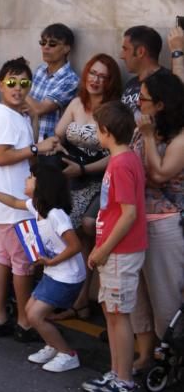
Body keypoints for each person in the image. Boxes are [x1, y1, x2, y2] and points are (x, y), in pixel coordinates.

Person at [0, 163, 85, 373]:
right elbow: (13, 202)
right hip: (54, 273)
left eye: (30, 177)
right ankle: (52, 345)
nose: (26, 179)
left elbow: (76, 246)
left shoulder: (56, 215)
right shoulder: (36, 206)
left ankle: (68, 354)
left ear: (42, 185)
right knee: (31, 312)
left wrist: (52, 261)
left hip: (66, 276)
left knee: (35, 315)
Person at [0, 57, 58, 342]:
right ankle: (25, 321)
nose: (18, 88)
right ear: (1, 85)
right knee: (21, 262)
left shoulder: (15, 114)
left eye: (24, 83)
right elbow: (2, 157)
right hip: (14, 201)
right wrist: (39, 146)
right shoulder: (4, 115)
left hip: (8, 200)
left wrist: (35, 123)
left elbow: (21, 150)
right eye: (12, 83)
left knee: (4, 258)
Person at [50, 54, 122, 321]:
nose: (96, 79)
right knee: (69, 234)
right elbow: (57, 135)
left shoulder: (113, 111)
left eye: (103, 76)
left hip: (97, 179)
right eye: (93, 73)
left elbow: (115, 152)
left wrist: (83, 169)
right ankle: (73, 299)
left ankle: (82, 300)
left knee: (86, 230)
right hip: (71, 176)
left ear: (111, 81)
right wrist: (58, 151)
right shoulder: (76, 103)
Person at [82, 102, 147, 392]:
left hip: (119, 252)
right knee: (112, 313)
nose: (96, 133)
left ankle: (124, 380)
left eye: (97, 129)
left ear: (106, 132)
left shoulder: (121, 164)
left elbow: (128, 213)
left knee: (118, 316)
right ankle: (116, 373)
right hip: (117, 251)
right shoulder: (125, 159)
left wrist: (104, 248)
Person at [129, 73, 184, 374]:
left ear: (161, 104)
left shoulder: (179, 137)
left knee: (165, 298)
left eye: (144, 97)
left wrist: (148, 136)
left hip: (166, 223)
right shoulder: (143, 128)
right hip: (134, 220)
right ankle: (145, 354)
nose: (138, 101)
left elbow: (160, 174)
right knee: (138, 296)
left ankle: (171, 358)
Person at [26, 23, 79, 142]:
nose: (46, 47)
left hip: (48, 146)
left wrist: (17, 86)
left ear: (67, 48)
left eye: (52, 44)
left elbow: (39, 109)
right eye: (43, 43)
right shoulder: (39, 70)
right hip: (26, 139)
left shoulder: (70, 80)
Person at [120, 25, 171, 117]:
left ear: (140, 52)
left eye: (125, 49)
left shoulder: (167, 82)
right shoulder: (130, 84)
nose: (122, 55)